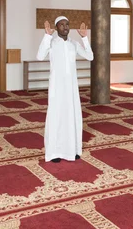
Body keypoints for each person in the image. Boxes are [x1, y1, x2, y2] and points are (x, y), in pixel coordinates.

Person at [36, 16, 94, 163]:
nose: (65, 27)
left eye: (67, 24)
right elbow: (39, 56)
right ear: (57, 28)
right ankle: (54, 152)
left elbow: (90, 56)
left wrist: (85, 38)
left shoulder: (74, 44)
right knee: (57, 117)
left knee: (72, 116)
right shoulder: (52, 43)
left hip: (71, 87)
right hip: (56, 87)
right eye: (61, 25)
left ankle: (72, 150)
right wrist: (46, 36)